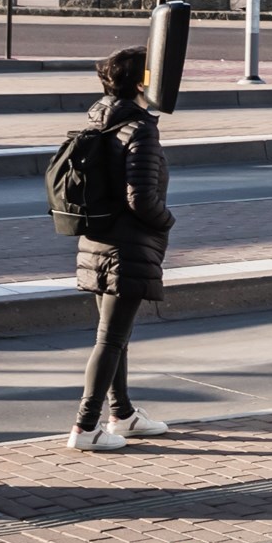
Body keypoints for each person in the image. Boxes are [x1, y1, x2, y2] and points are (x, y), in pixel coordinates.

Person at [68, 47, 176, 452]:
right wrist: (167, 222)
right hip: (126, 247)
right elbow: (142, 199)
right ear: (140, 83)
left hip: (96, 240)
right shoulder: (140, 129)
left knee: (116, 336)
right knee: (110, 339)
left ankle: (124, 415)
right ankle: (85, 427)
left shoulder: (99, 120)